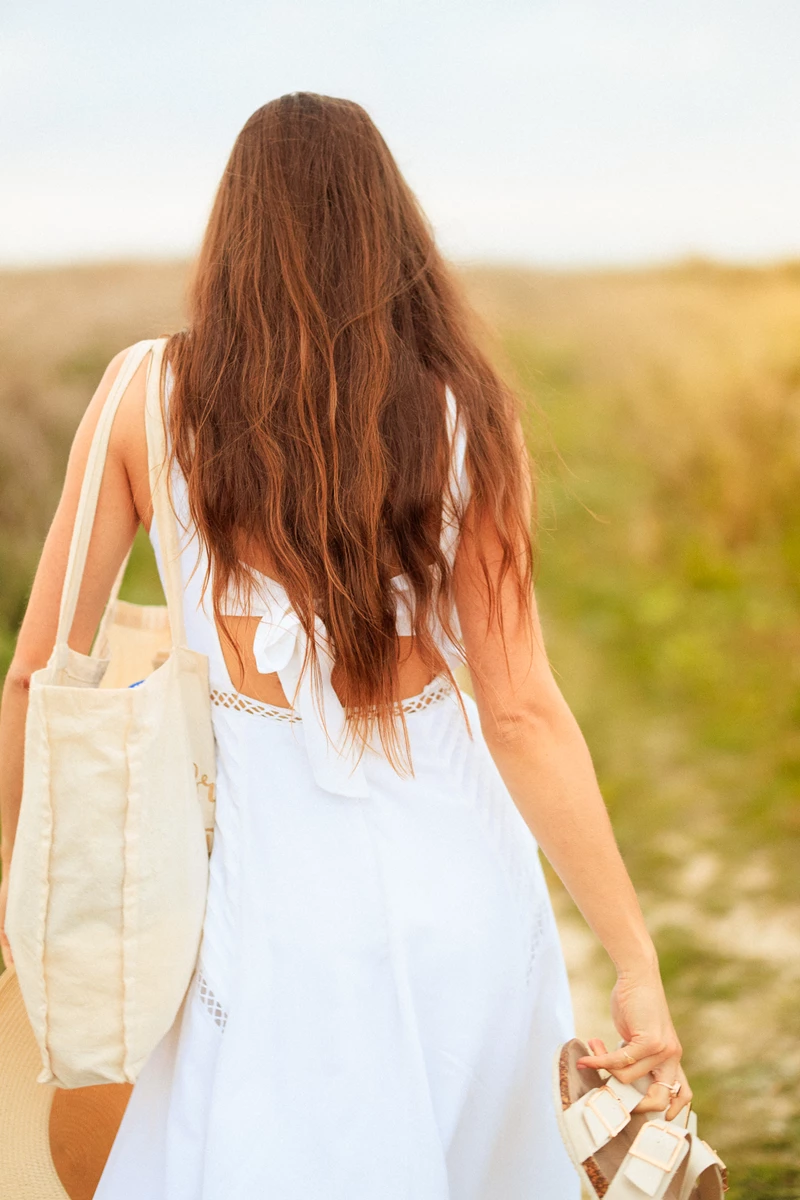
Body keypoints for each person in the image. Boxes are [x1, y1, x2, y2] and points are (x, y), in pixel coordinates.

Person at [0, 93, 690, 1199]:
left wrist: (17, 895)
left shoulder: (142, 392)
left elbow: (39, 674)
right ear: (389, 231)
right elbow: (517, 709)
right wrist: (633, 959)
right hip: (455, 881)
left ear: (232, 230)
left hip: (253, 897)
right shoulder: (463, 407)